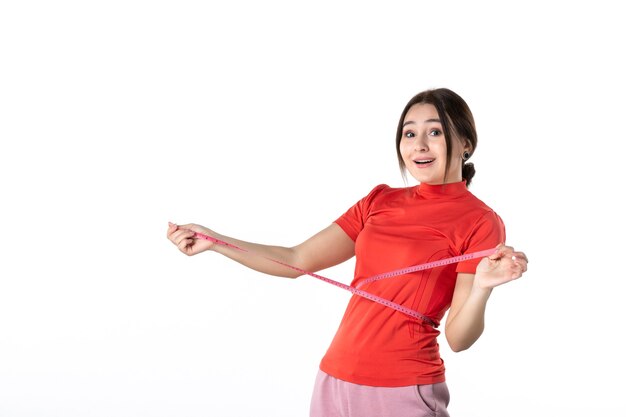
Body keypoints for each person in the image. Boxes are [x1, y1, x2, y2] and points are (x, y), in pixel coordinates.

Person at [167, 88, 528, 417]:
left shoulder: (479, 221)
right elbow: (296, 260)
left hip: (402, 388)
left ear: (465, 142)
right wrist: (216, 241)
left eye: (434, 132)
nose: (419, 145)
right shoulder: (379, 200)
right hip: (334, 379)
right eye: (409, 133)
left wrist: (482, 287)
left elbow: (458, 338)